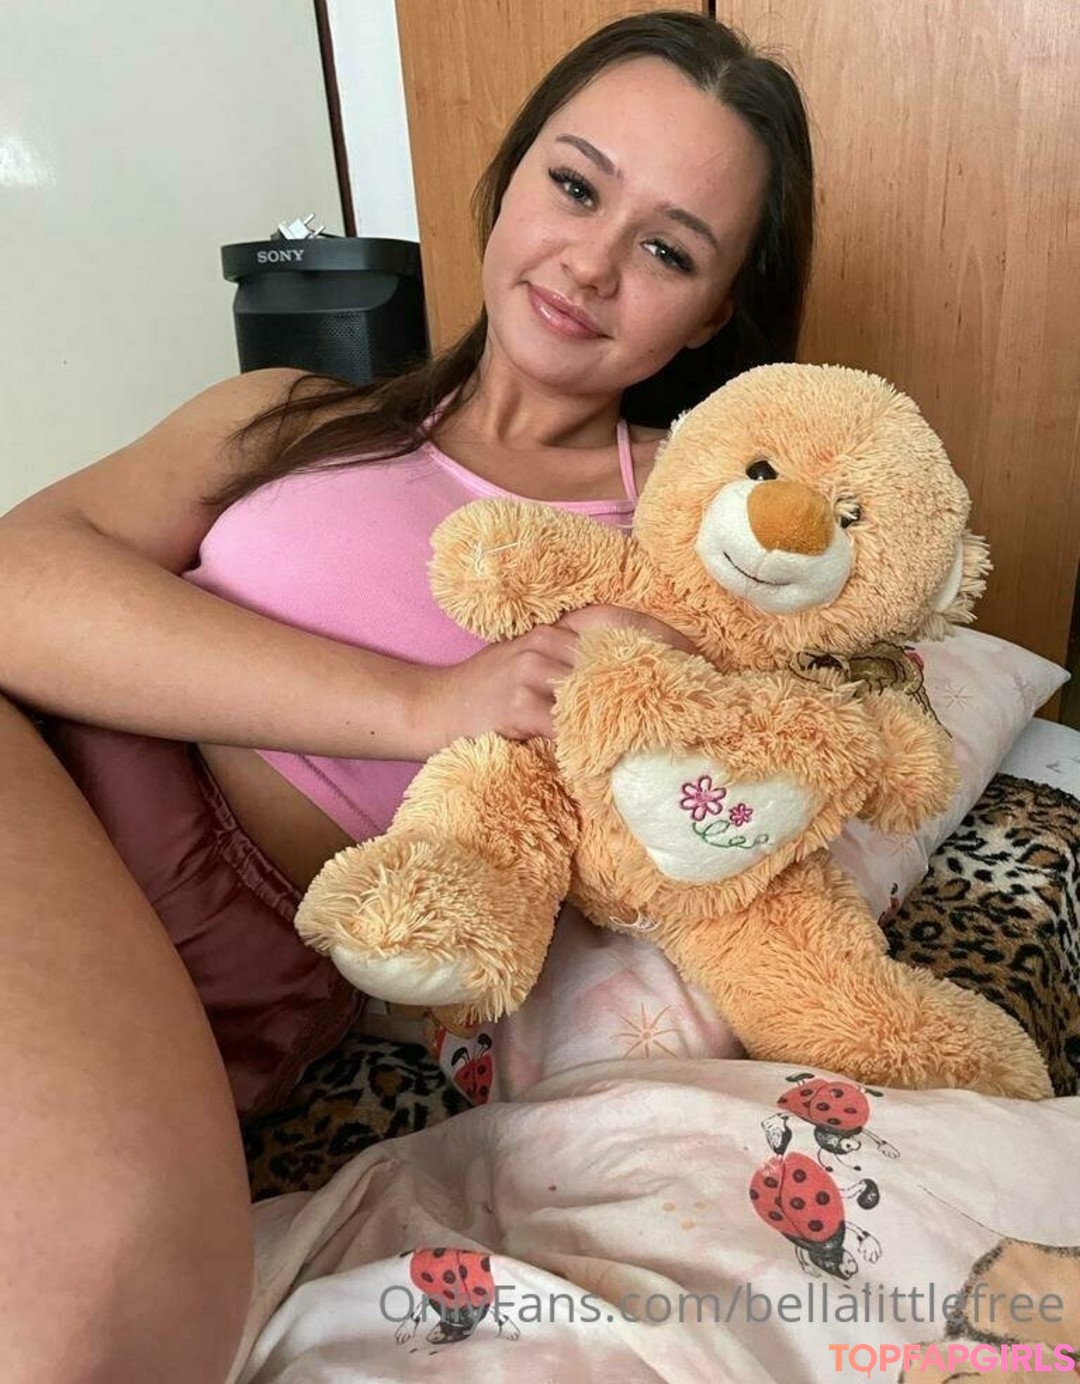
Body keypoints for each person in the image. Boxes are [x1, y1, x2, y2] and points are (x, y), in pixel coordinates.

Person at [0, 10, 813, 1382]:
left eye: (668, 250)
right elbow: (15, 581)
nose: (591, 263)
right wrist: (424, 704)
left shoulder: (700, 540)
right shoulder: (285, 411)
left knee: (92, 1305)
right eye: (575, 185)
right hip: (45, 764)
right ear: (508, 181)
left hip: (239, 929)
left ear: (715, 311)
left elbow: (736, 800)